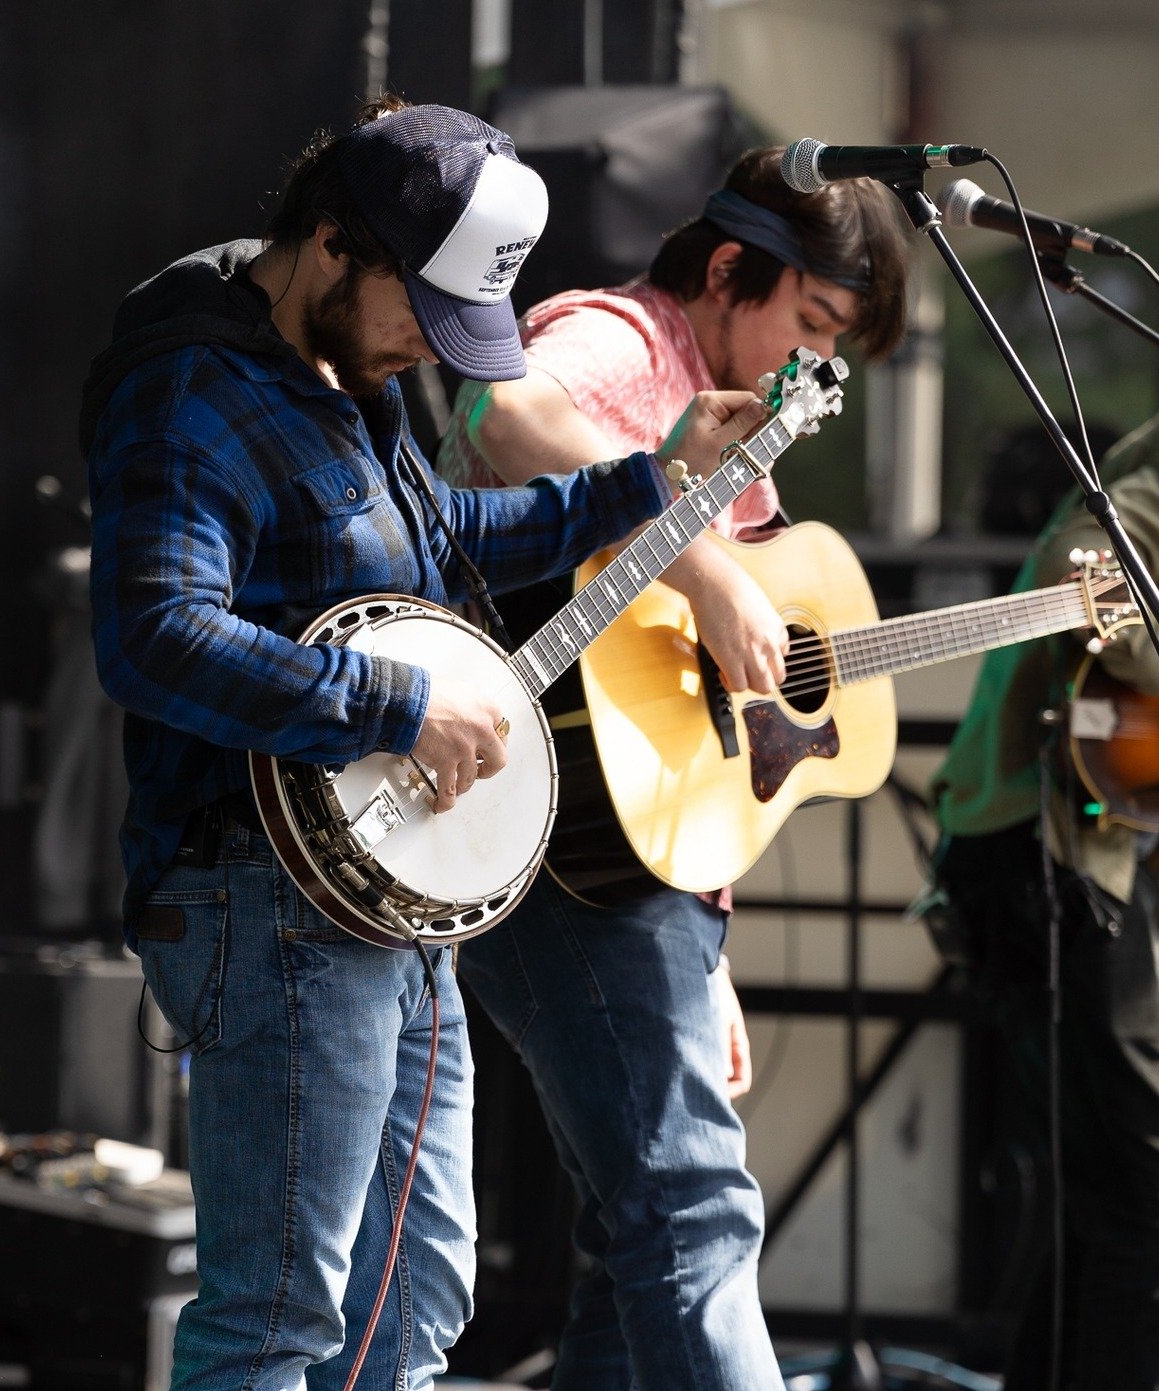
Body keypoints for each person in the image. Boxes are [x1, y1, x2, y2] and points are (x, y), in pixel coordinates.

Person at [79, 97, 765, 1391]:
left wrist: (645, 484)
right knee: (278, 1317)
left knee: (414, 1291)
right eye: (421, 309)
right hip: (261, 900)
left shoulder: (352, 370)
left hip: (386, 898)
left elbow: (434, 540)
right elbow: (152, 636)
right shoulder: (190, 386)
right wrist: (394, 706)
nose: (427, 350)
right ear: (334, 241)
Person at [435, 146, 912, 1389]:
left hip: (637, 870)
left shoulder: (726, 398)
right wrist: (703, 570)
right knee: (693, 1216)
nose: (804, 361)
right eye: (803, 321)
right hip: (548, 844)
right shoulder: (623, 340)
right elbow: (503, 408)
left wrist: (708, 944)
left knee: (633, 1243)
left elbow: (684, 728)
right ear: (724, 268)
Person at [931, 414, 1159, 1391]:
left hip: (1039, 851)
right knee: (1140, 1198)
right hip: (1048, 854)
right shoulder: (1142, 483)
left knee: (1102, 1203)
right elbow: (1093, 582)